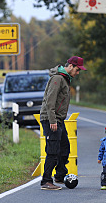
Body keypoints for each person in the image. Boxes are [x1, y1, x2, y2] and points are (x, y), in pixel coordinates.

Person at [40, 56, 87, 190]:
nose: (78, 73)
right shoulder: (58, 79)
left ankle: (60, 175)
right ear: (71, 66)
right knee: (53, 150)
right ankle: (46, 181)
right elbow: (50, 101)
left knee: (65, 147)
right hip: (51, 119)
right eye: (77, 70)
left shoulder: (64, 79)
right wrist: (52, 120)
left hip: (58, 120)